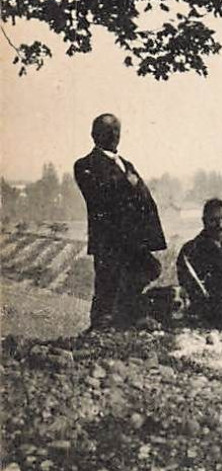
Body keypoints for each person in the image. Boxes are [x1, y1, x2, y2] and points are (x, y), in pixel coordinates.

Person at [72, 113, 167, 330]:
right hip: (109, 239)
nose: (114, 135)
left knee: (149, 267)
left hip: (132, 238)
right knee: (108, 282)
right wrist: (129, 184)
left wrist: (149, 235)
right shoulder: (85, 164)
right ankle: (100, 327)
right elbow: (100, 195)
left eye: (117, 130)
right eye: (108, 131)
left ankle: (123, 315)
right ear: (95, 135)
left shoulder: (126, 163)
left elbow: (144, 195)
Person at [177, 198, 222, 328]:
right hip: (208, 314)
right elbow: (194, 292)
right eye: (213, 220)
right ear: (204, 222)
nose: (220, 225)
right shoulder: (190, 251)